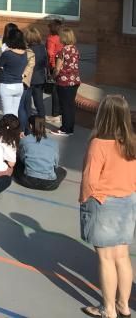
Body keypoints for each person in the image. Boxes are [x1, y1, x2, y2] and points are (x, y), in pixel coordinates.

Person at [80, 95, 136, 318]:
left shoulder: (98, 144)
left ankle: (108, 309)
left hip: (104, 202)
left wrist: (84, 202)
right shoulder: (131, 142)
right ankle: (123, 305)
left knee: (105, 258)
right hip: (128, 201)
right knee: (122, 256)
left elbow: (90, 181)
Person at [14, 115, 66, 191]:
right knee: (63, 171)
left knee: (17, 161)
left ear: (31, 126)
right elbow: (55, 164)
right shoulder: (54, 143)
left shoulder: (25, 140)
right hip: (49, 184)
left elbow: (22, 159)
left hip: (28, 180)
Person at [53, 26, 81, 137]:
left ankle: (65, 129)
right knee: (70, 105)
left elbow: (57, 68)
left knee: (64, 106)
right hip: (75, 81)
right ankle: (70, 128)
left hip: (64, 82)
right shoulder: (75, 49)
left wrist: (53, 76)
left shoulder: (63, 51)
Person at [0, 27, 27, 118]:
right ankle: (15, 131)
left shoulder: (7, 53)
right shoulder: (25, 53)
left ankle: (8, 131)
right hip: (19, 85)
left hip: (6, 85)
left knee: (7, 114)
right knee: (15, 114)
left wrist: (3, 69)